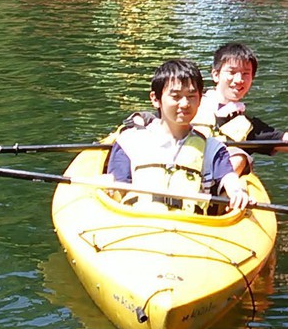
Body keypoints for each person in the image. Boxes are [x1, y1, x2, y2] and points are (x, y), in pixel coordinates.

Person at [106, 59, 253, 213]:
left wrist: (237, 191)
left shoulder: (213, 149)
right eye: (176, 97)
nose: (184, 104)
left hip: (191, 226)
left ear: (200, 100)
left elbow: (229, 180)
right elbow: (117, 187)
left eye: (191, 96)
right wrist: (107, 184)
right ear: (155, 99)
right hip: (141, 223)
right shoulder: (129, 142)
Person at [193, 43, 288, 155]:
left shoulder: (250, 129)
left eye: (246, 74)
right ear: (215, 75)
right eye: (231, 72)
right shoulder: (189, 105)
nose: (239, 80)